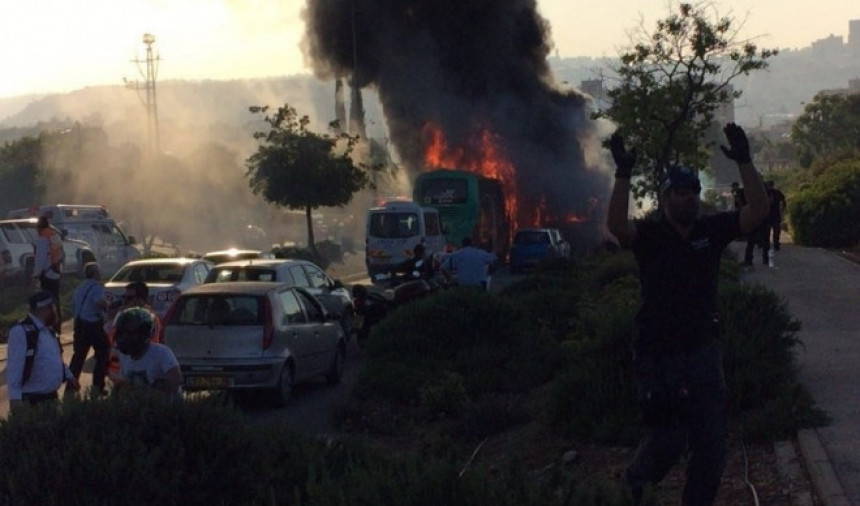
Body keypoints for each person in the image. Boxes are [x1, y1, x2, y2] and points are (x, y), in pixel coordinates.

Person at [606, 123, 769, 505]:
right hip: (656, 355)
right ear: (664, 198)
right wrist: (623, 174)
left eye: (693, 191)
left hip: (701, 354)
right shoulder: (650, 236)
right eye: (680, 192)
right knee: (666, 441)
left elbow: (758, 211)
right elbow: (616, 227)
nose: (689, 198)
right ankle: (632, 492)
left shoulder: (711, 231)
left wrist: (745, 161)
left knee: (711, 450)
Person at [6, 292, 80, 412]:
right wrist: (15, 400)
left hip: (51, 398)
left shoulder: (48, 331)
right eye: (53, 308)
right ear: (44, 309)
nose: (56, 312)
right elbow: (14, 369)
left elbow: (54, 359)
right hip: (32, 402)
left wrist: (70, 376)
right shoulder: (21, 332)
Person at [111, 307, 183, 397]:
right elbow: (124, 382)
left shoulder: (161, 353)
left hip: (165, 407)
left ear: (144, 334)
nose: (125, 338)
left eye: (131, 334)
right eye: (123, 333)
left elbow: (177, 379)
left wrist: (157, 391)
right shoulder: (123, 356)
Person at [106, 281, 163, 384]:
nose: (125, 301)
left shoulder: (149, 318)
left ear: (140, 299)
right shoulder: (123, 315)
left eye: (129, 298)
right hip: (122, 367)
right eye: (124, 297)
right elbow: (112, 338)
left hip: (142, 365)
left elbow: (152, 341)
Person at [69, 262, 110, 395]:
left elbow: (73, 307)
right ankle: (97, 387)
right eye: (98, 271)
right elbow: (99, 302)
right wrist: (108, 306)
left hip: (79, 325)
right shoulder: (97, 287)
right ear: (94, 273)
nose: (100, 273)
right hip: (93, 325)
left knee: (78, 357)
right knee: (103, 354)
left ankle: (70, 387)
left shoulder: (79, 288)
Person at [32, 216, 64, 334]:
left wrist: (35, 275)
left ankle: (50, 328)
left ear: (39, 227)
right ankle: (57, 327)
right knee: (56, 302)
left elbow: (40, 259)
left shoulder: (42, 239)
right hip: (56, 273)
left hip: (47, 275)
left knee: (47, 303)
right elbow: (61, 254)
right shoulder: (54, 235)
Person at [765, 180, 787, 251]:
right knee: (775, 230)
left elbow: (783, 200)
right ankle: (775, 243)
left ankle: (771, 243)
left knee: (770, 230)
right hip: (772, 214)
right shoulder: (776, 192)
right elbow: (783, 201)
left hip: (770, 214)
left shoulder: (766, 193)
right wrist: (783, 208)